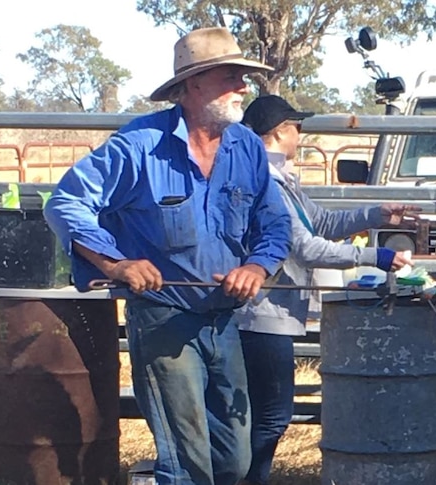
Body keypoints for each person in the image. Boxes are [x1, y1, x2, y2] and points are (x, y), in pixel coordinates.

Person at [43, 27, 293, 485]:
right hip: (163, 317)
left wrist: (256, 266)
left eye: (244, 77)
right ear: (193, 85)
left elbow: (274, 224)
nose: (244, 88)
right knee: (186, 462)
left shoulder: (248, 148)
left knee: (234, 460)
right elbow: (66, 204)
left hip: (223, 320)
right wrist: (115, 264)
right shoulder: (139, 146)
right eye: (232, 77)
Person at [236, 94, 418, 484]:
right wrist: (377, 257)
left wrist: (374, 214)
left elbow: (320, 221)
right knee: (270, 416)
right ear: (280, 131)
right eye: (296, 127)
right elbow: (305, 246)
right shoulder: (268, 181)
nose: (300, 135)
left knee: (261, 414)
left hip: (271, 311)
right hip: (264, 313)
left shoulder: (279, 178)